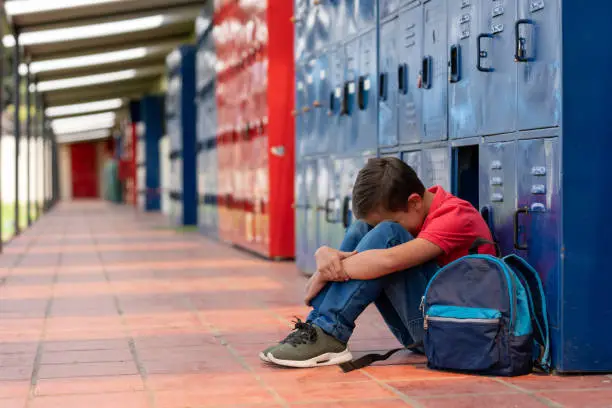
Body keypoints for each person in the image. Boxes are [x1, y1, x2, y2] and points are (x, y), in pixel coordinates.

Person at [260, 157, 496, 368]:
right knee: (361, 229)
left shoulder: (456, 216)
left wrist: (324, 272)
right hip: (421, 329)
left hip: (455, 335)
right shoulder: (418, 212)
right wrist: (324, 255)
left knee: (389, 234)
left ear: (414, 202)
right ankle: (317, 329)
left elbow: (389, 260)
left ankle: (329, 332)